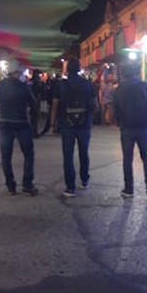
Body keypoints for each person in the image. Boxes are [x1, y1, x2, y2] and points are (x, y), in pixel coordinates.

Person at [51, 58, 97, 197]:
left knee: (68, 155)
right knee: (84, 152)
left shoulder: (60, 85)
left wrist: (53, 123)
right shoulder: (88, 84)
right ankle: (84, 179)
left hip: (66, 124)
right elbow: (95, 105)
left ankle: (70, 187)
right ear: (79, 68)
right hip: (84, 124)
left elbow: (55, 105)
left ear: (67, 69)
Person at [113, 61, 147, 199]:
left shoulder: (120, 89)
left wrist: (119, 122)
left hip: (127, 128)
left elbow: (116, 109)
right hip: (144, 127)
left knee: (127, 159)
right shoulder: (145, 86)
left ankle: (129, 188)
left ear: (124, 73)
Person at [0, 62, 38, 195]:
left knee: (6, 155)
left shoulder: (1, 85)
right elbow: (33, 103)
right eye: (20, 72)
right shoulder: (23, 86)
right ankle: (27, 184)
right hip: (21, 123)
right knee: (28, 153)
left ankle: (10, 185)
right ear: (16, 72)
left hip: (5, 123)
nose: (22, 75)